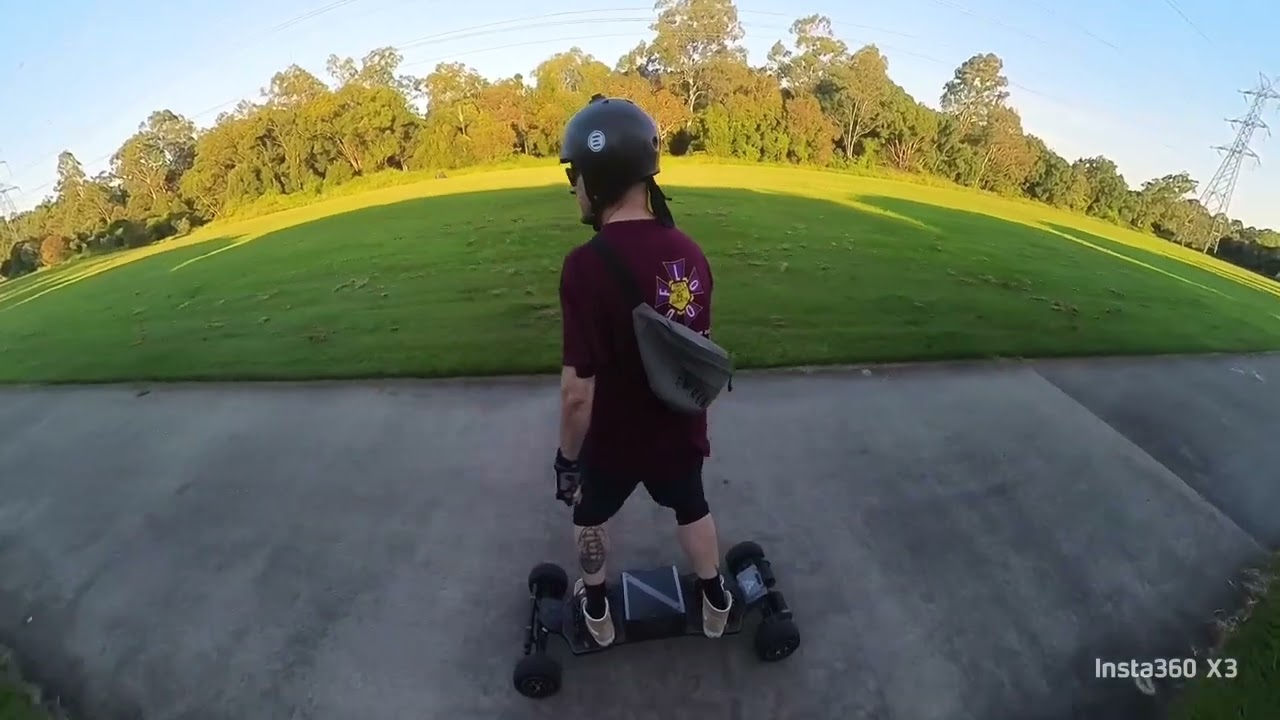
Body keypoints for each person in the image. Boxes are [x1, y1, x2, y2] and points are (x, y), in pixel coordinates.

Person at [553, 95, 733, 647]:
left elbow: (577, 394)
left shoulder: (585, 267)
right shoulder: (691, 251)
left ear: (601, 176)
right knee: (691, 505)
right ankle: (714, 599)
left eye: (576, 174)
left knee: (589, 514)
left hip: (613, 439)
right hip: (678, 429)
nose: (573, 187)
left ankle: (599, 614)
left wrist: (566, 459)